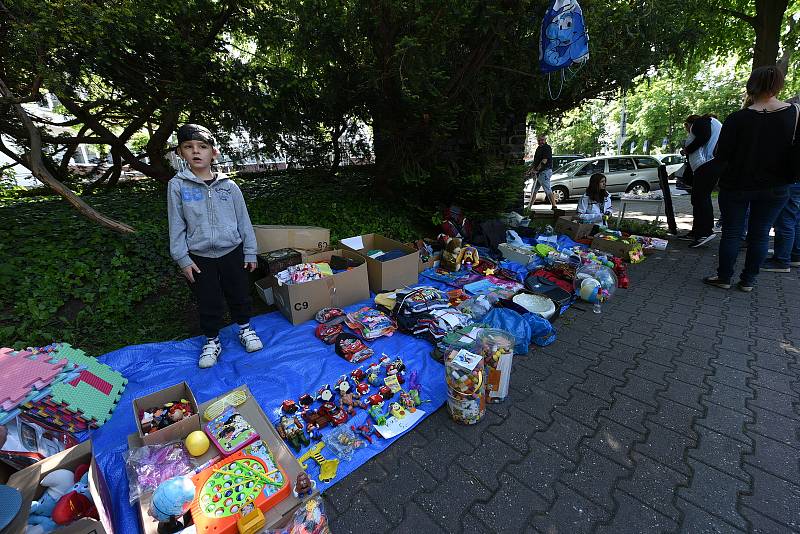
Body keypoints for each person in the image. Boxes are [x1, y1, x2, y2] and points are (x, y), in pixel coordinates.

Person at [167, 124, 263, 368]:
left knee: (239, 292)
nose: (196, 152)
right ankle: (211, 340)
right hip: (199, 256)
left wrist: (250, 250)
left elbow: (244, 221)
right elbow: (176, 224)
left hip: (232, 251)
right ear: (180, 153)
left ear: (214, 153)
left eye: (202, 147)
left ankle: (245, 329)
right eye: (188, 147)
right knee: (208, 299)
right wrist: (182, 258)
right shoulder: (178, 186)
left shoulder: (229, 186)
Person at [703, 65, 796, 292]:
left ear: (751, 85)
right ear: (778, 85)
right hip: (776, 184)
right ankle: (748, 281)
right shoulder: (794, 113)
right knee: (761, 232)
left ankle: (724, 277)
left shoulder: (737, 118)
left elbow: (721, 154)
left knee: (732, 232)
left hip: (737, 184)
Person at [683, 113, 723, 247]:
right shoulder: (711, 123)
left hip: (706, 165)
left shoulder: (700, 123)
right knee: (698, 198)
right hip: (708, 165)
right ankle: (697, 231)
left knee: (701, 198)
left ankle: (704, 232)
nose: (688, 132)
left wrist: (687, 150)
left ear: (688, 124)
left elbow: (703, 138)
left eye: (686, 128)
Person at [762, 182, 800, 272]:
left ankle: (781, 260)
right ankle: (795, 255)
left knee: (784, 220)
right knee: (794, 219)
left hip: (790, 181)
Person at [527, 134, 558, 211]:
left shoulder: (546, 148)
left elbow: (544, 160)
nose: (541, 142)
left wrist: (536, 170)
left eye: (542, 140)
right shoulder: (538, 148)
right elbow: (535, 162)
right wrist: (529, 170)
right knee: (534, 190)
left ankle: (554, 206)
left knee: (547, 189)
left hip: (545, 171)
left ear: (545, 140)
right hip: (538, 173)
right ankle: (528, 207)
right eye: (539, 140)